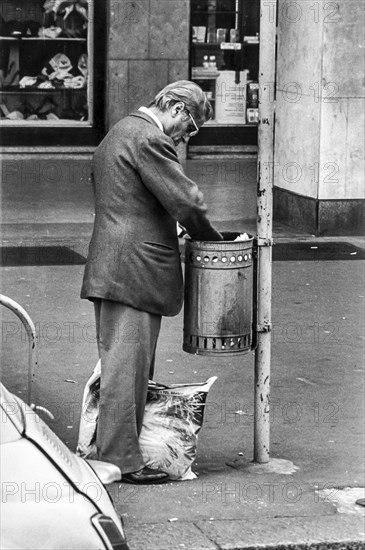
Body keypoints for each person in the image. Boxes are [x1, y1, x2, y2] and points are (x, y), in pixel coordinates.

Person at [80, 80, 223, 484]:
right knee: (128, 370)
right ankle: (121, 460)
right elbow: (187, 201)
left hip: (113, 263)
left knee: (121, 366)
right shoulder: (150, 140)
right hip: (135, 269)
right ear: (177, 109)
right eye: (191, 127)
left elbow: (129, 201)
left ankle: (114, 450)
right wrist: (211, 239)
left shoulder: (120, 131)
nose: (186, 137)